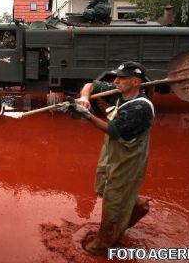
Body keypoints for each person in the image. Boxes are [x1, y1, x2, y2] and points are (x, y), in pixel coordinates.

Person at [70, 61, 154, 255]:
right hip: (113, 152)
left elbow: (113, 130)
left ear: (135, 82)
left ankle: (105, 241)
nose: (115, 80)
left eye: (121, 78)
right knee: (104, 187)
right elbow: (91, 84)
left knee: (114, 199)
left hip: (128, 159)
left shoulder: (140, 108)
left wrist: (86, 114)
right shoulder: (119, 91)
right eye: (116, 77)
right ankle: (137, 205)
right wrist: (84, 98)